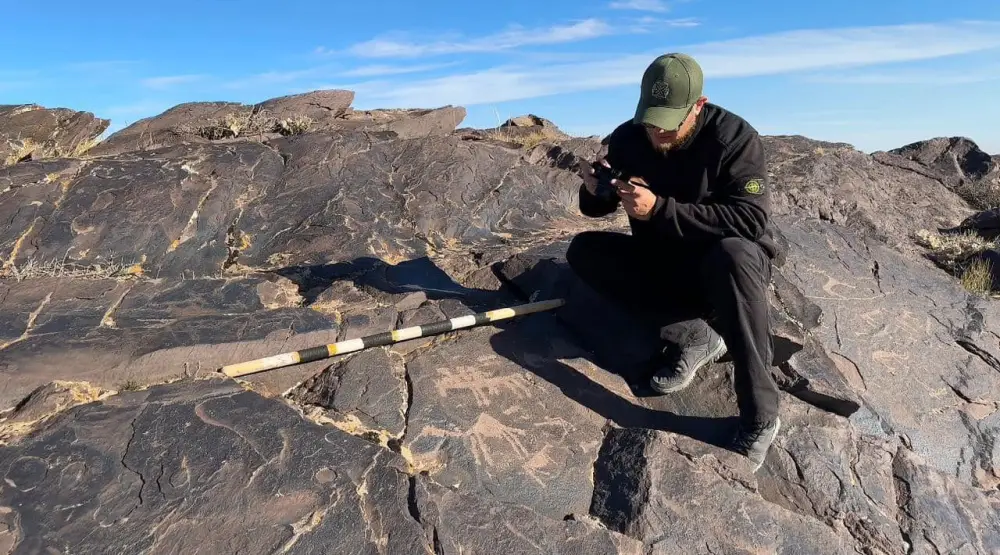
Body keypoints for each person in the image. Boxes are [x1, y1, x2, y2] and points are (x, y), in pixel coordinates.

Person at [566, 52, 781, 470]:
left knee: (733, 255)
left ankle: (761, 416)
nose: (656, 132)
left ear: (697, 106)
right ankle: (696, 336)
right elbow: (598, 210)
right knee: (584, 251)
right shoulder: (629, 137)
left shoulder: (735, 138)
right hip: (664, 259)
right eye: (650, 120)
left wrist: (661, 210)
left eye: (667, 122)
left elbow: (752, 219)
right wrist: (596, 191)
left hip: (725, 269)